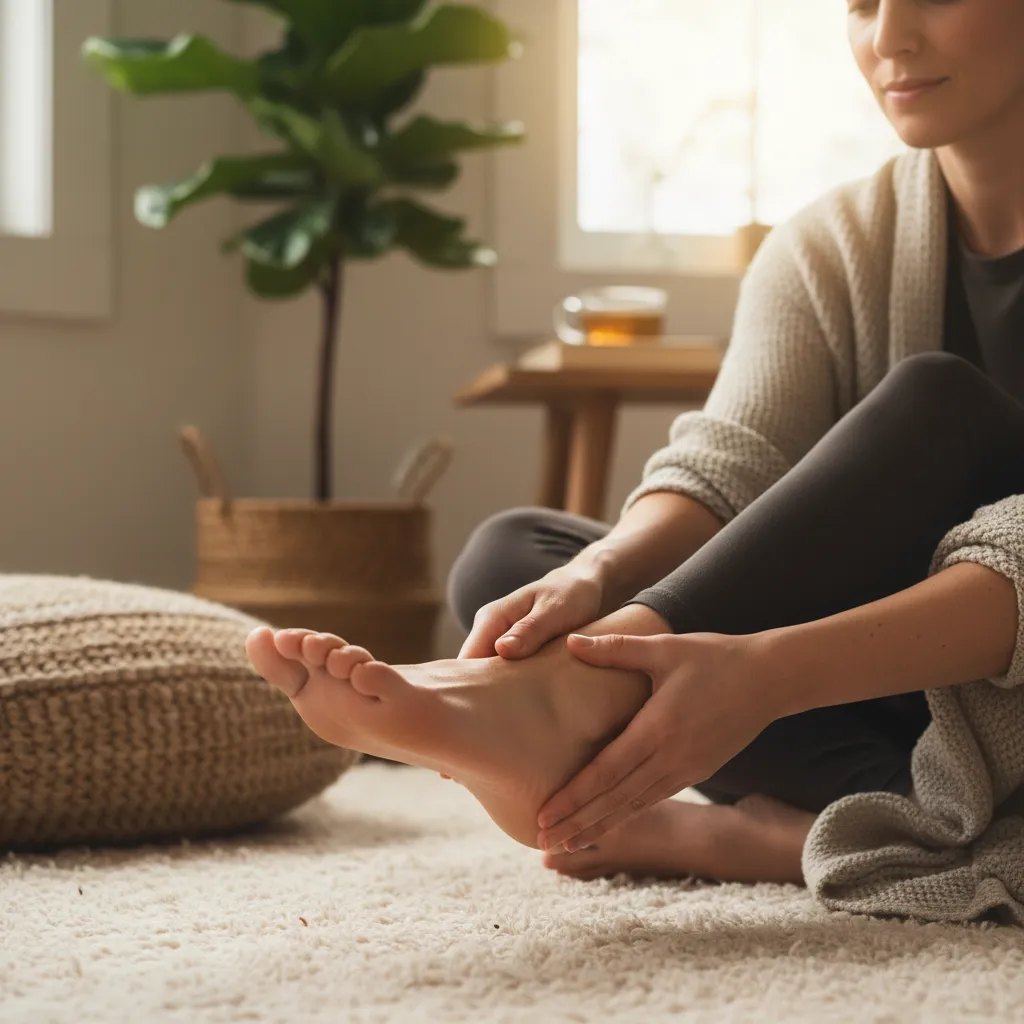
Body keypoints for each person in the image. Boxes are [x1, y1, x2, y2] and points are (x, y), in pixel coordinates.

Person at [247, 0, 1024, 894]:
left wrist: (769, 672)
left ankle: (743, 829)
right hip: (895, 708)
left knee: (937, 407)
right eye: (859, 3)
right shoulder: (830, 244)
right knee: (517, 569)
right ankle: (595, 702)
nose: (888, 38)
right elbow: (732, 465)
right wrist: (602, 586)